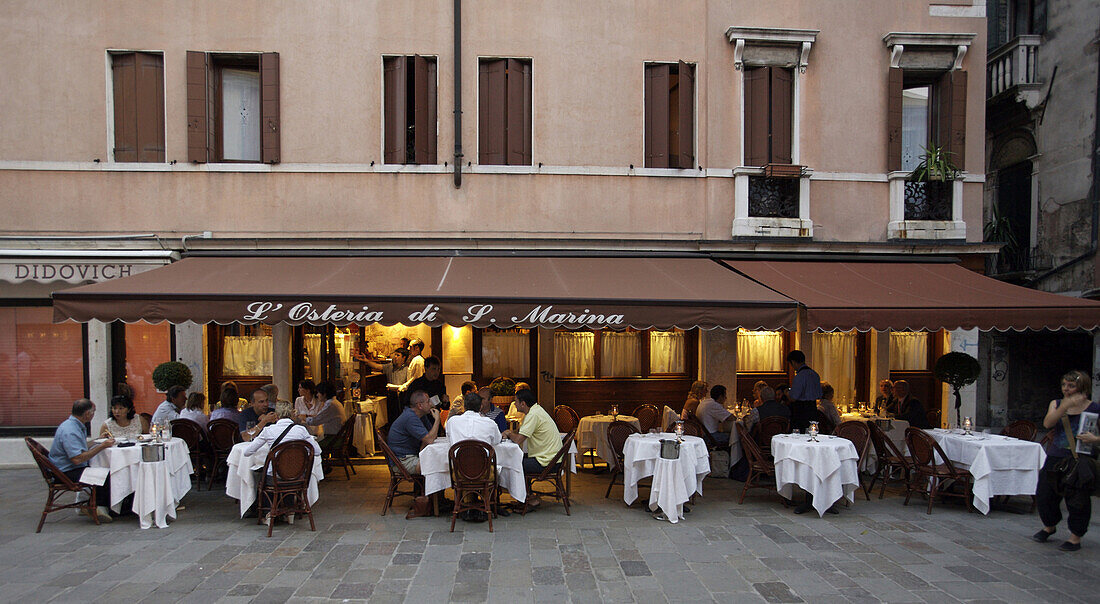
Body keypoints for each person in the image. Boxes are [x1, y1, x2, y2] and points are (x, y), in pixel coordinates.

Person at [1034, 370, 1100, 552]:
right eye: (1064, 385)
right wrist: (1064, 407)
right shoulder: (1056, 404)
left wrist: (1094, 440)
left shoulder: (1094, 408)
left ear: (1082, 387)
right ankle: (1049, 525)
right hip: (1056, 456)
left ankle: (1075, 537)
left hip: (1079, 459)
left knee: (1078, 498)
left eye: (1071, 386)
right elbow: (1048, 424)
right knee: (1045, 494)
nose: (1066, 389)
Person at [50, 399, 114, 522]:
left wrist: (97, 440)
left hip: (65, 468)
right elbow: (77, 459)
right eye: (93, 412)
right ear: (87, 414)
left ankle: (96, 505)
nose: (94, 414)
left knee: (102, 469)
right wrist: (102, 446)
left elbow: (80, 448)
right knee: (106, 474)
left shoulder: (74, 425)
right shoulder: (70, 431)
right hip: (65, 472)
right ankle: (96, 506)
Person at [502, 389, 562, 507]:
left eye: (516, 402)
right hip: (552, 458)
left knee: (514, 463)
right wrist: (511, 432)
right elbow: (521, 431)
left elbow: (519, 439)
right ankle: (526, 495)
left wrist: (509, 433)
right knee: (517, 459)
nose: (514, 404)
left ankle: (527, 498)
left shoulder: (533, 415)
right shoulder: (536, 410)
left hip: (547, 462)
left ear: (523, 403)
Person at [244, 401, 321, 461]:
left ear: (276, 415)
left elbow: (247, 452)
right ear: (291, 414)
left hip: (274, 476)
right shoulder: (301, 430)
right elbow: (317, 451)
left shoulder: (268, 431)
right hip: (298, 475)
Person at [387, 390, 441, 474]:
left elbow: (432, 436)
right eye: (428, 402)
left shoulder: (421, 415)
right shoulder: (410, 417)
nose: (431, 404)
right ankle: (429, 487)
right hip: (403, 460)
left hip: (413, 455)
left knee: (440, 461)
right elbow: (429, 439)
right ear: (420, 405)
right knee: (436, 466)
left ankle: (427, 487)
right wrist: (437, 419)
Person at [300, 381, 347, 448]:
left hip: (333, 438)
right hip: (336, 436)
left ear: (324, 394)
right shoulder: (334, 403)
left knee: (309, 445)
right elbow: (320, 416)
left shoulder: (330, 405)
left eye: (318, 393)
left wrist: (303, 417)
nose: (317, 395)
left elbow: (314, 421)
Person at [787, 351, 822, 431]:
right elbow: (819, 394)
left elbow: (793, 397)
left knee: (800, 435)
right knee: (812, 433)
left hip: (800, 411)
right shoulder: (815, 374)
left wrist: (787, 393)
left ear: (793, 362)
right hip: (813, 408)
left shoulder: (799, 376)